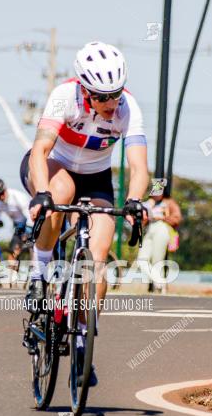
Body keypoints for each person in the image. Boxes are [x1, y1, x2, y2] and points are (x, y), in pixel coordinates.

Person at [22, 41, 150, 386]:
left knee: (98, 257)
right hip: (53, 168)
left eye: (116, 94)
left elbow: (139, 167)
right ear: (84, 89)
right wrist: (43, 194)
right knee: (60, 192)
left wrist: (137, 201)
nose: (111, 104)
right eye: (101, 97)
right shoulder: (64, 96)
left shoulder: (128, 108)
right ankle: (40, 274)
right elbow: (39, 150)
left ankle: (82, 339)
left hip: (96, 181)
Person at [137, 191, 182, 293]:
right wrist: (147, 209)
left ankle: (160, 288)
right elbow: (141, 220)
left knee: (157, 261)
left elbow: (177, 219)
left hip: (162, 228)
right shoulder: (149, 202)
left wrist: (163, 217)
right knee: (141, 260)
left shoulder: (168, 202)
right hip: (149, 229)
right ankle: (160, 282)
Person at [0, 177, 33, 261]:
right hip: (18, 225)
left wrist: (27, 232)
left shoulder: (17, 196)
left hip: (31, 222)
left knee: (33, 246)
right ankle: (13, 271)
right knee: (13, 253)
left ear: (5, 189)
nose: (1, 197)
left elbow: (29, 215)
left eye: (2, 193)